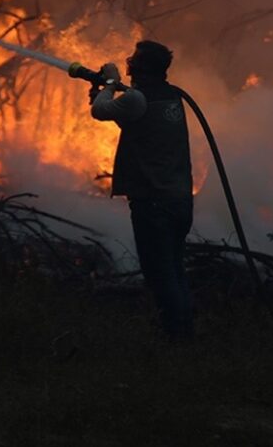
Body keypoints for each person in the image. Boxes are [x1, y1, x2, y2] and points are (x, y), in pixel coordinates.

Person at [90, 40, 194, 339]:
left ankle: (175, 339)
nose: (128, 62)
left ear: (140, 67)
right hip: (179, 200)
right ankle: (184, 333)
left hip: (153, 203)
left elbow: (100, 111)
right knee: (175, 270)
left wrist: (109, 82)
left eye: (133, 59)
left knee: (160, 274)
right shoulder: (172, 96)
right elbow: (138, 122)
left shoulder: (138, 98)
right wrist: (108, 91)